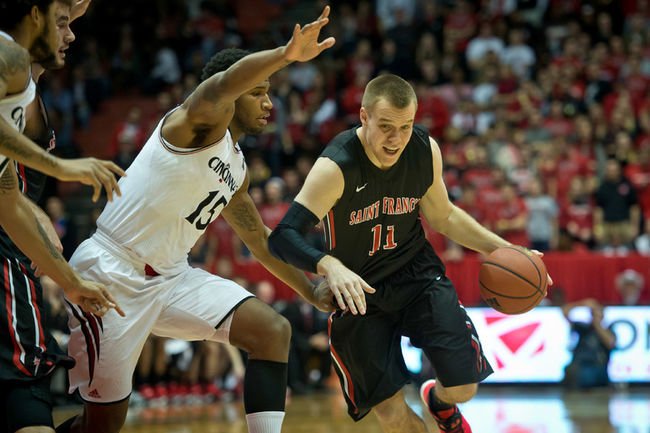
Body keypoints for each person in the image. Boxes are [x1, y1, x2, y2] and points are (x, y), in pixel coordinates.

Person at [55, 7, 336, 433]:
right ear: (232, 95)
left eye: (268, 92)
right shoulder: (192, 124)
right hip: (112, 274)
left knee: (272, 331)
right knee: (101, 428)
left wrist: (311, 291)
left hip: (170, 278)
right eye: (257, 91)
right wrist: (285, 54)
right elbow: (222, 84)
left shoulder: (237, 168)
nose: (267, 101)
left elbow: (260, 241)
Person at [269, 74, 552, 433]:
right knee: (391, 413)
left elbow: (443, 215)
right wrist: (327, 265)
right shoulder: (337, 166)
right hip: (359, 293)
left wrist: (509, 250)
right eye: (386, 126)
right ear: (364, 117)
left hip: (417, 275)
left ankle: (439, 403)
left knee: (464, 387)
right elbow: (283, 235)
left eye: (405, 126)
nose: (396, 138)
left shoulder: (423, 150)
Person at [0, 2, 123, 433]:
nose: (71, 34)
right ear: (34, 15)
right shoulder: (9, 58)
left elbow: (7, 198)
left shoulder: (24, 82)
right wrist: (62, 167)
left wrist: (68, 278)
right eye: (62, 21)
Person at [561, 298, 616, 389]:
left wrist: (597, 324)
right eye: (593, 313)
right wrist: (581, 303)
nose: (595, 315)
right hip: (581, 367)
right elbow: (565, 311)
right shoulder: (584, 328)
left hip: (598, 368)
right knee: (571, 370)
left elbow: (610, 343)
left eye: (598, 313)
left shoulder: (608, 329)